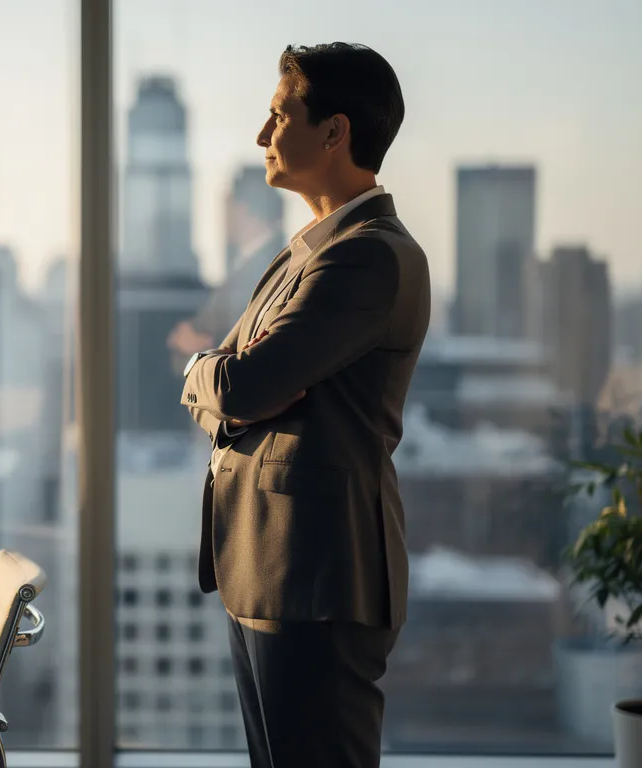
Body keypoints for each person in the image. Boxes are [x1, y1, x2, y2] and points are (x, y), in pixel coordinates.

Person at [178, 43, 430, 767]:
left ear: (334, 132)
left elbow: (241, 387)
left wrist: (214, 376)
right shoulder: (302, 256)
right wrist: (216, 374)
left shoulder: (369, 256)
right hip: (263, 567)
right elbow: (227, 382)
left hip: (319, 576)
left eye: (279, 114)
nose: (262, 136)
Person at [168, 170, 285, 360]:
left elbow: (247, 333)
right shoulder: (254, 261)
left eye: (227, 206)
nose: (221, 218)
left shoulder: (267, 265)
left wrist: (198, 343)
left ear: (242, 209)